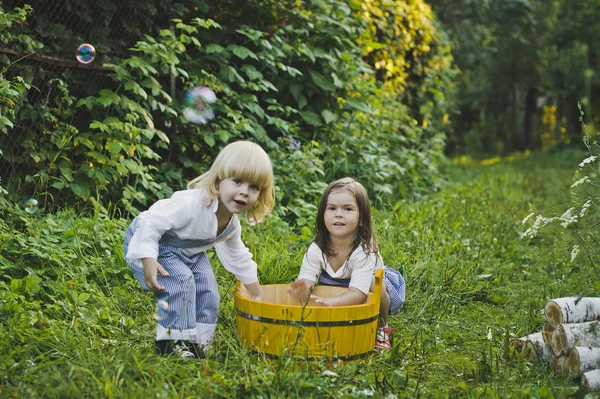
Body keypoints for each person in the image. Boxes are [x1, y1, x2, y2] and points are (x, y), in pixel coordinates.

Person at [123, 141, 274, 358]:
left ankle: (200, 345)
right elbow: (153, 223)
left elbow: (238, 256)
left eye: (254, 187)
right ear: (219, 179)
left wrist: (258, 293)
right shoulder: (192, 205)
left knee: (209, 289)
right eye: (238, 181)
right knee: (181, 282)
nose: (244, 192)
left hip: (188, 252)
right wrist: (148, 257)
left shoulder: (231, 224)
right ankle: (172, 345)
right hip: (153, 241)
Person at [288, 177, 405, 350]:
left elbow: (358, 293)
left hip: (371, 287)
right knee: (315, 286)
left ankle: (382, 327)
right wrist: (302, 291)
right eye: (332, 208)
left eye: (348, 209)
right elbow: (306, 281)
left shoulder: (364, 251)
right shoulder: (316, 248)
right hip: (335, 282)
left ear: (362, 218)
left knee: (374, 284)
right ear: (323, 214)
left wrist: (332, 302)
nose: (338, 214)